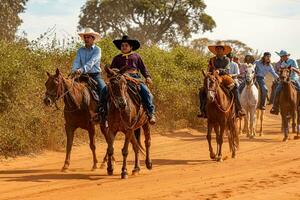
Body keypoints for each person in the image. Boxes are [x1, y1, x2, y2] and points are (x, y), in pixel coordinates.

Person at [99, 35, 156, 124]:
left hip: (135, 78)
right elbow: (112, 70)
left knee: (147, 93)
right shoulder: (117, 58)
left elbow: (143, 68)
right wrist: (111, 77)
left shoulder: (136, 56)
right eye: (122, 45)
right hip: (120, 79)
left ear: (131, 47)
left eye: (126, 45)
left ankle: (151, 113)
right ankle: (102, 113)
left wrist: (147, 77)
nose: (124, 47)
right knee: (104, 91)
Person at [198, 41, 246, 118]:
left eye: (220, 49)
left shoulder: (227, 59)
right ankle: (202, 110)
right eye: (217, 49)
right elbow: (209, 68)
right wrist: (207, 72)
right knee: (202, 90)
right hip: (213, 77)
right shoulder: (212, 59)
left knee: (235, 88)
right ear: (215, 50)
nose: (219, 50)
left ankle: (239, 109)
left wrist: (219, 70)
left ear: (223, 51)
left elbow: (227, 70)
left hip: (224, 78)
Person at [71, 28, 105, 98]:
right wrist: (74, 70)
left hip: (95, 75)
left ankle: (103, 107)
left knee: (104, 90)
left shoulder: (97, 50)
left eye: (88, 37)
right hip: (83, 75)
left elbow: (92, 62)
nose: (86, 39)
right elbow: (76, 61)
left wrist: (81, 70)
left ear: (93, 38)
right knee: (69, 89)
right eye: (85, 37)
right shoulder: (80, 50)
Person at [270, 50, 300, 115]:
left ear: (286, 56)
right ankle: (275, 107)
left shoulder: (293, 61)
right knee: (277, 90)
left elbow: (298, 71)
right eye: (281, 56)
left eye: (283, 56)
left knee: (299, 88)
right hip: (285, 80)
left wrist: (293, 68)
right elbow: (281, 71)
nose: (282, 58)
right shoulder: (282, 63)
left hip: (293, 78)